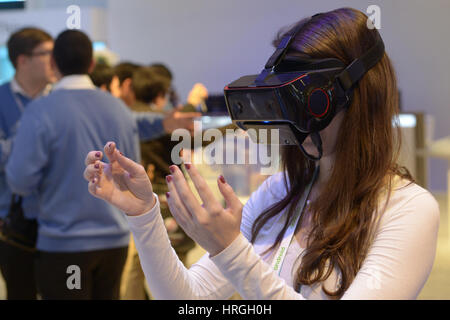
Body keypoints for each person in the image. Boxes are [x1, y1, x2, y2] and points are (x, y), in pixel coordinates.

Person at [83, 8, 440, 300]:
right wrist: (145, 215)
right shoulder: (280, 192)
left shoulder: (407, 210)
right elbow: (187, 300)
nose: (294, 123)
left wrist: (232, 252)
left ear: (358, 99)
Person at [5, 29, 141, 300]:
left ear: (54, 63)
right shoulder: (121, 111)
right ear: (92, 64)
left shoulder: (41, 111)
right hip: (116, 240)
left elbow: (20, 181)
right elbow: (133, 174)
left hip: (65, 243)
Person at [0, 27, 55, 300]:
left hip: (60, 222)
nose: (55, 60)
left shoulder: (59, 99)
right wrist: (34, 137)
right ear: (22, 60)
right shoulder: (1, 99)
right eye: (47, 54)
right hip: (12, 223)